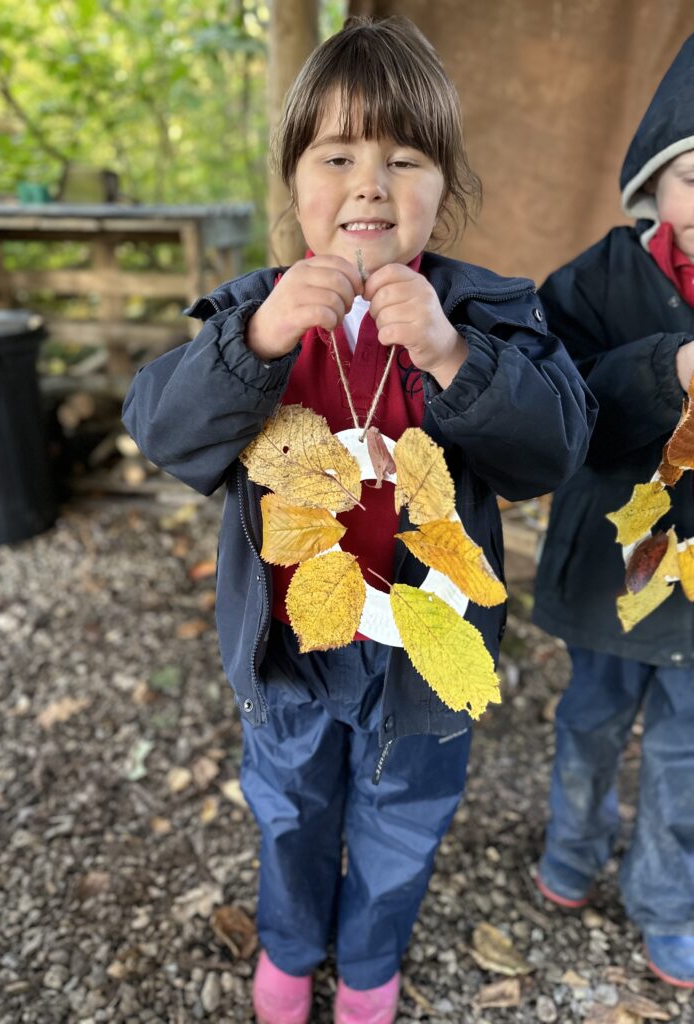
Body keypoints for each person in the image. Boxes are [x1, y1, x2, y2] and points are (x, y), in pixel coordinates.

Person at [123, 16, 594, 1024]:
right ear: (294, 180)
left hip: (423, 654)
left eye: (403, 156)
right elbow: (161, 429)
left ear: (446, 185)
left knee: (404, 819)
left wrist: (456, 358)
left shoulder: (487, 314)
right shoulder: (254, 309)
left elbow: (552, 449)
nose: (370, 183)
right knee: (290, 808)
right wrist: (252, 340)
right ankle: (292, 947)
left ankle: (371, 963)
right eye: (338, 155)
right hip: (292, 643)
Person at [532, 35, 694, 989]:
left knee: (685, 752)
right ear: (652, 186)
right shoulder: (591, 282)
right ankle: (573, 847)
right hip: (613, 565)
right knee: (591, 719)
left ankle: (671, 901)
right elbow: (562, 413)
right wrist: (667, 368)